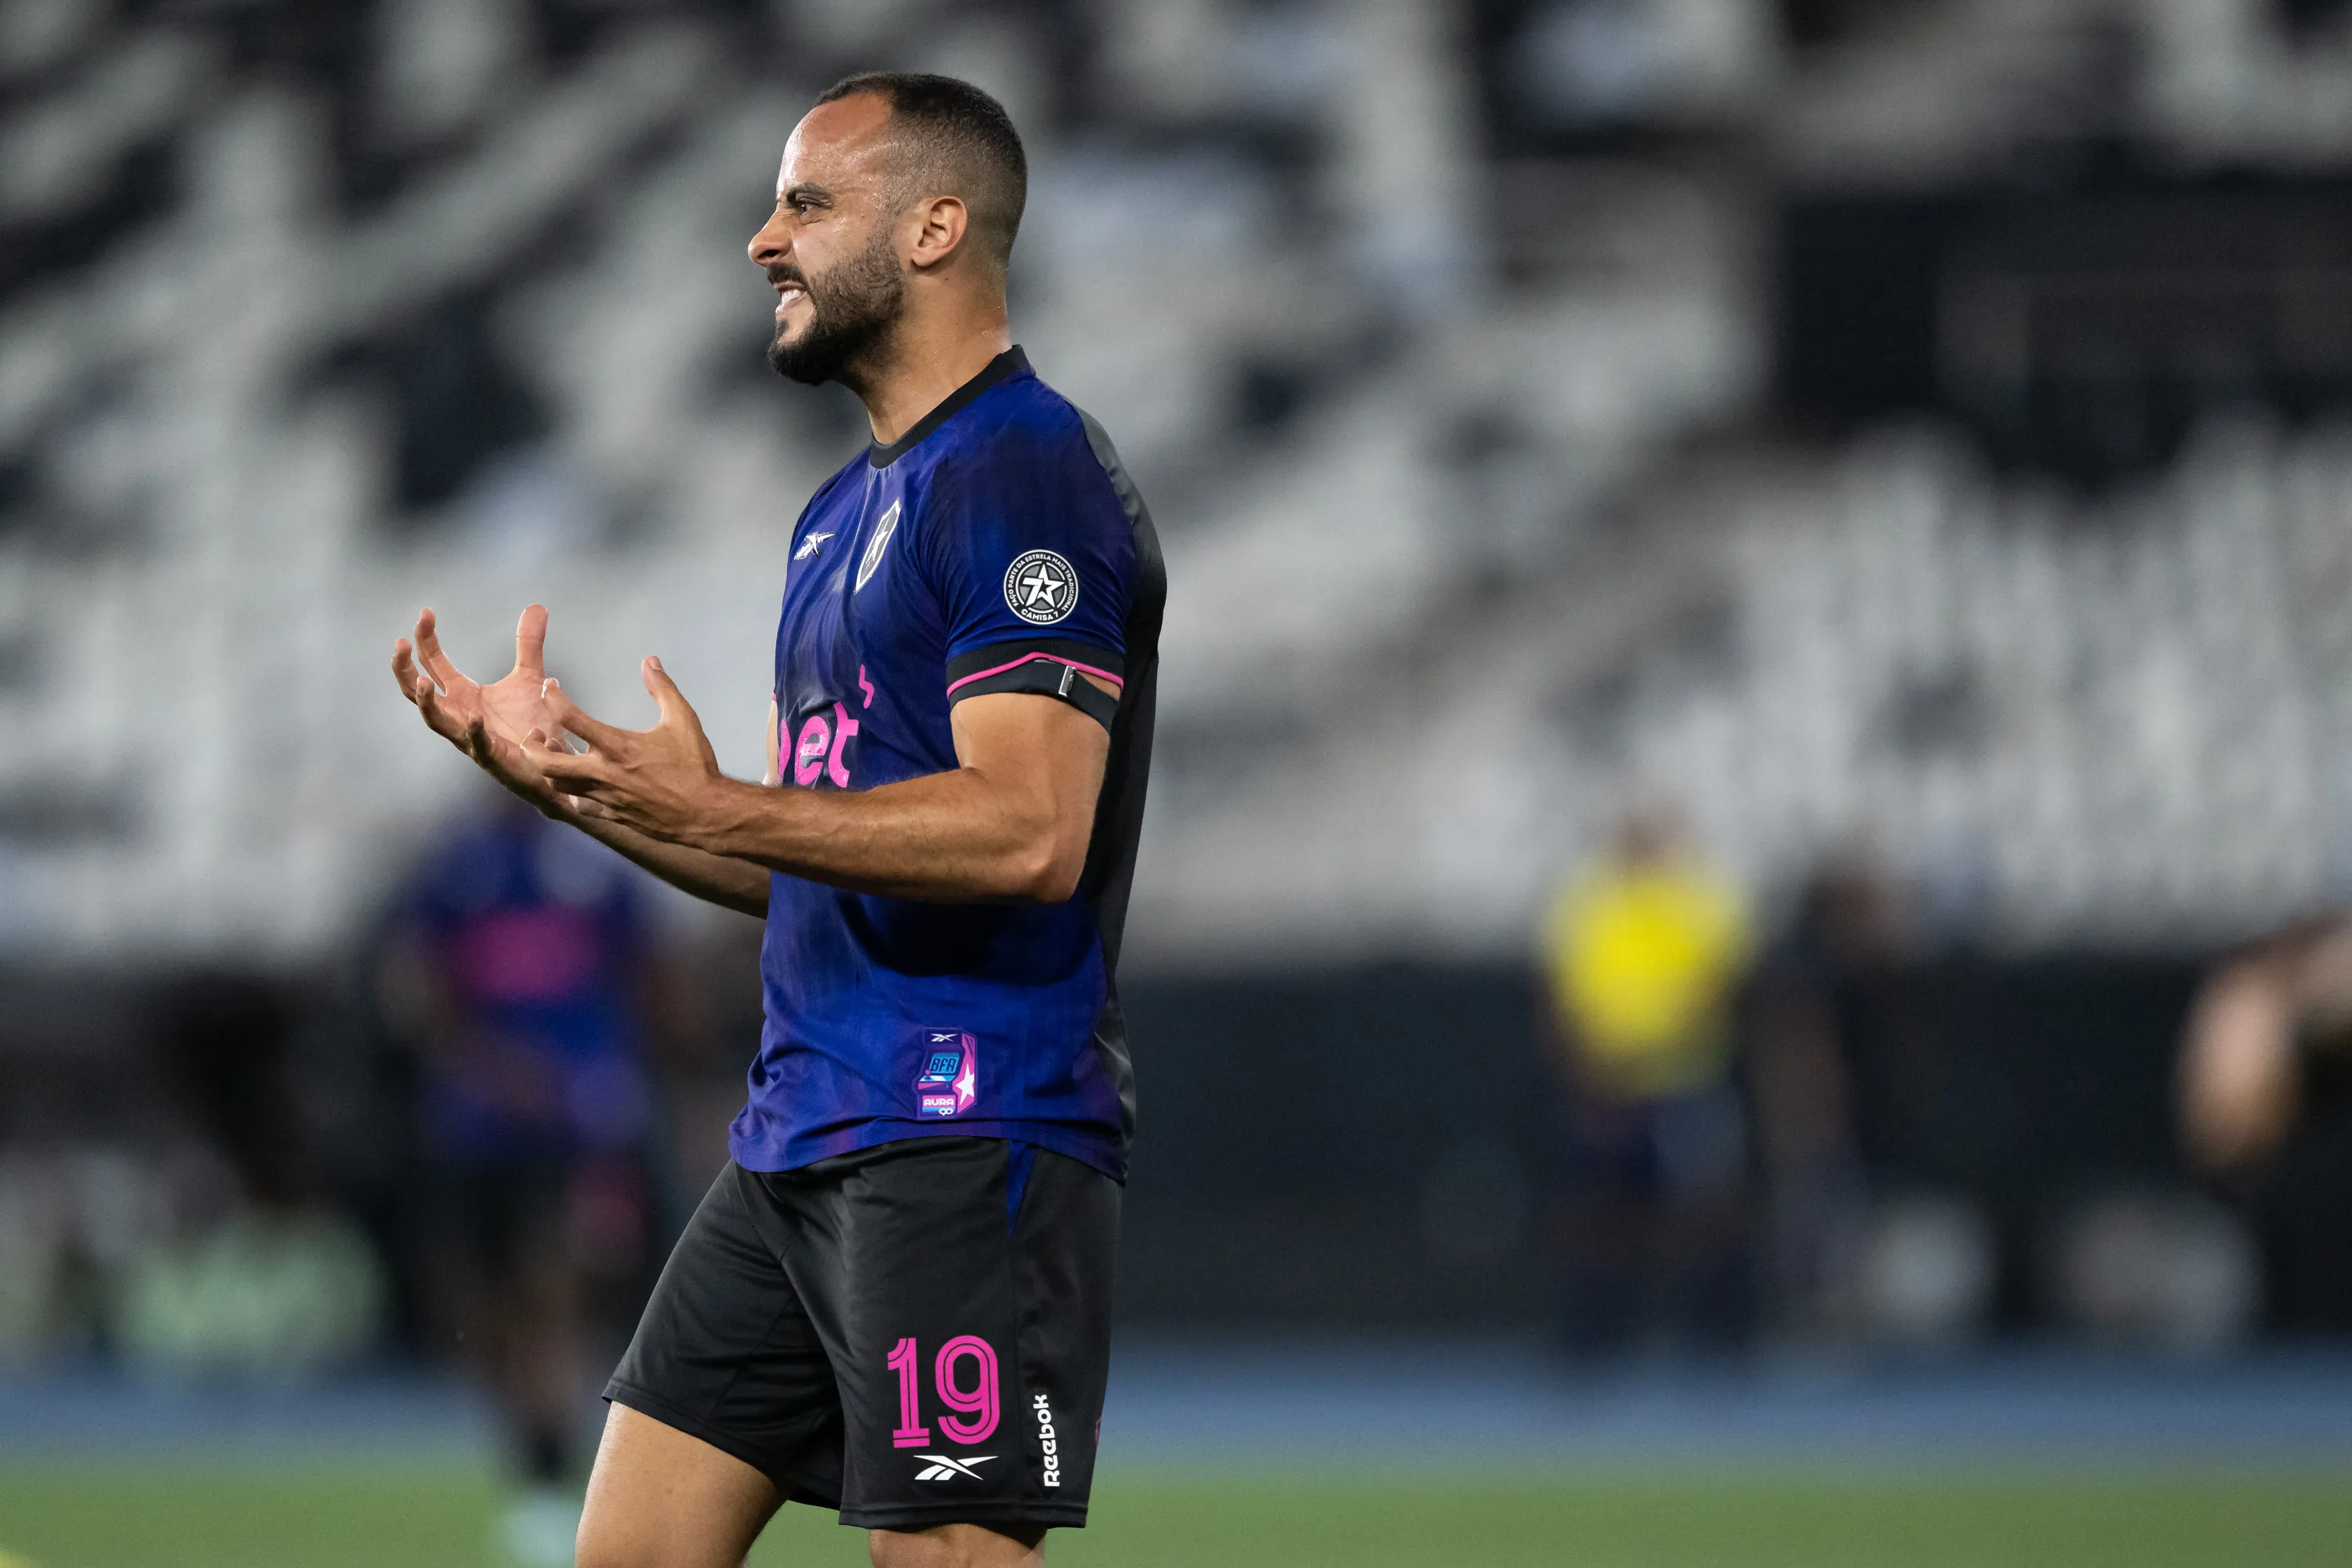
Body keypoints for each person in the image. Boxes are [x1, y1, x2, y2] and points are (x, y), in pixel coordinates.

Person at [390, 72, 1163, 1568]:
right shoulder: (836, 516)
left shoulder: (1025, 472)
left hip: (959, 1122)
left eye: (807, 201)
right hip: (799, 1130)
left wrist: (723, 800)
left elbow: (1027, 833)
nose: (761, 237)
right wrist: (574, 788)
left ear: (936, 227)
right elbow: (793, 860)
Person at [375, 792, 666, 1566]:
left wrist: (620, 1078)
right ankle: (534, 1456)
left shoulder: (598, 867)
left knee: (555, 1292)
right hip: (474, 1127)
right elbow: (415, 988)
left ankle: (552, 1475)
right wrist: (486, 1067)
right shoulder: (454, 867)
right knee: (479, 1312)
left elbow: (650, 979)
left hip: (578, 1125)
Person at [1539, 806, 1756, 1352]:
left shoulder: (1699, 900)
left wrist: (1654, 1051)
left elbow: (1720, 989)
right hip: (1607, 1086)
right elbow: (1560, 997)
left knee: (1705, 1209)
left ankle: (1716, 1338)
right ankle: (1596, 1338)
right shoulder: (1588, 903)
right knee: (1602, 1212)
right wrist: (1592, 1065)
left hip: (1687, 1081)